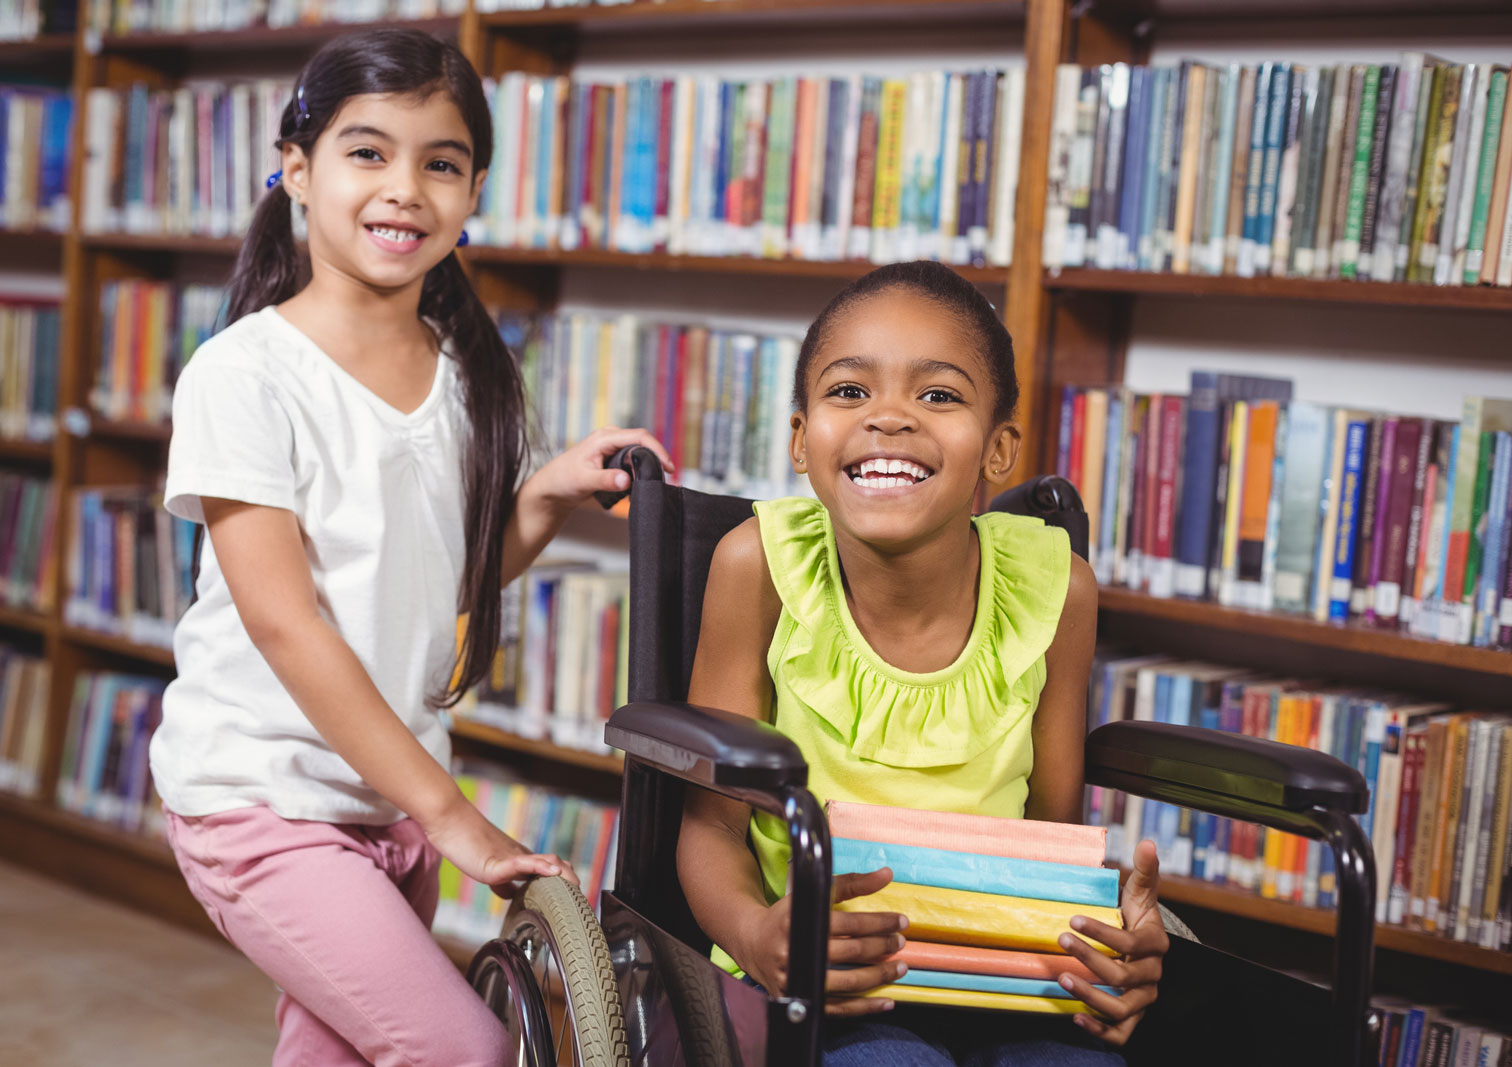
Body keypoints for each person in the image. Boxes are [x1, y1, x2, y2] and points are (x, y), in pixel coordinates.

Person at [148, 29, 669, 1067]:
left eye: (440, 162)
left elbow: (441, 579)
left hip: (384, 799)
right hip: (265, 796)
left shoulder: (467, 370)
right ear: (297, 168)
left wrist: (548, 495)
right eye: (367, 152)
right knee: (460, 1049)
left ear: (474, 188)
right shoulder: (245, 373)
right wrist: (457, 820)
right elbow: (286, 622)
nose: (405, 188)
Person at [676, 261, 1168, 1065]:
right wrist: (755, 932)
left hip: (1007, 968)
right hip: (828, 972)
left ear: (999, 448)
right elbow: (711, 829)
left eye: (938, 395)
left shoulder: (1059, 592)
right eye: (848, 392)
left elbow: (1052, 830)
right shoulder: (756, 567)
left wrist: (1110, 937)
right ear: (801, 439)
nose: (891, 419)